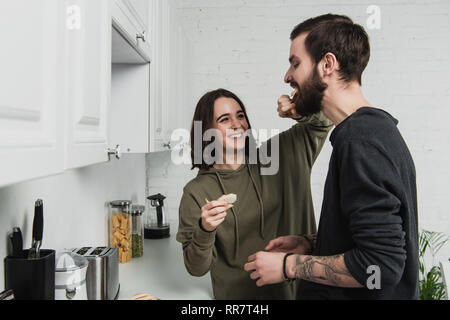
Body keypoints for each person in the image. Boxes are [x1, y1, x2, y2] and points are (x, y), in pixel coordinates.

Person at [244, 14, 419, 300]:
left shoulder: (360, 142)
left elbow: (380, 266)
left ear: (327, 65)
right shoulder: (373, 129)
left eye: (295, 63)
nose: (287, 76)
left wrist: (289, 266)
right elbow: (366, 239)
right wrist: (313, 244)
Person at [176, 88, 333, 299]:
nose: (237, 124)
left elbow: (325, 121)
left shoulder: (282, 155)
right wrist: (205, 229)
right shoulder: (196, 192)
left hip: (306, 293)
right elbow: (195, 268)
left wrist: (299, 110)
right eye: (224, 119)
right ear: (206, 131)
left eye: (240, 116)